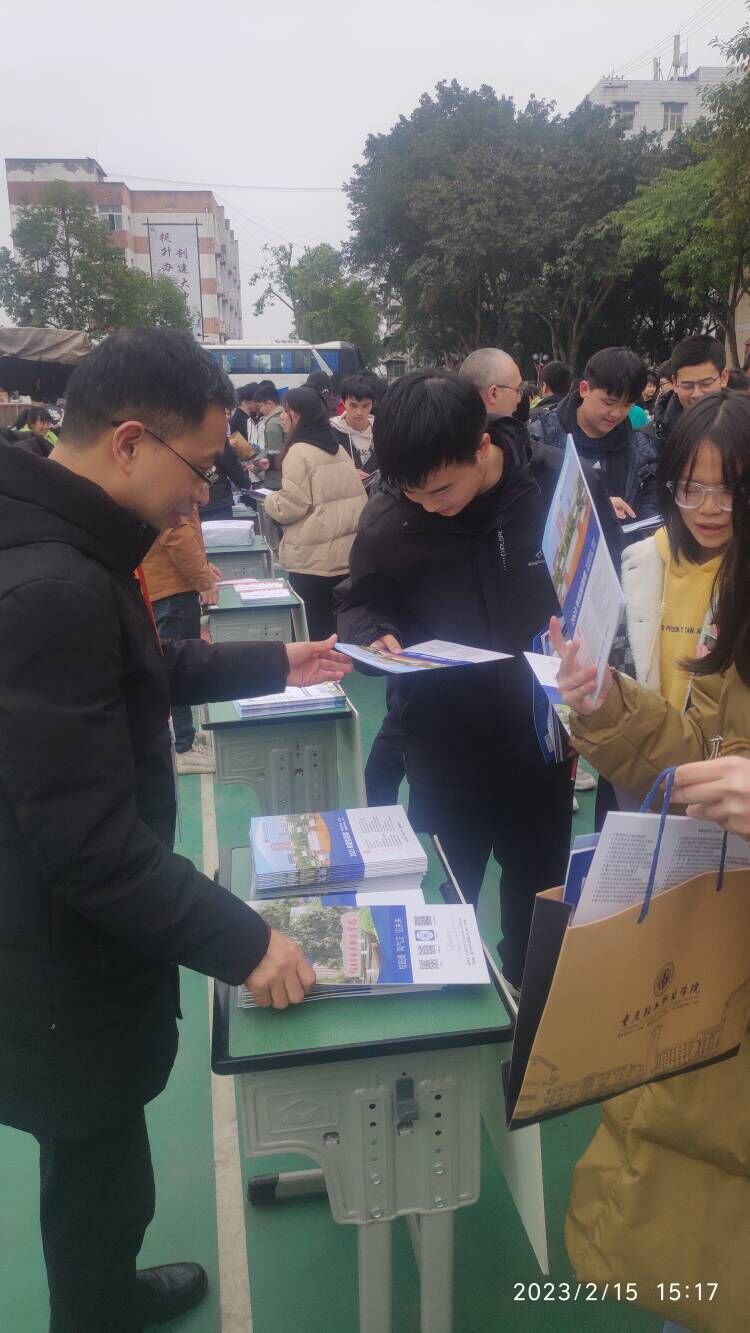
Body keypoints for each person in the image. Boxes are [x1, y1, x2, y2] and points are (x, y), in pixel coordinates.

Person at [0, 328, 351, 1333]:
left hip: (70, 942)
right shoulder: (55, 582)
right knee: (92, 1163)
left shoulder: (68, 536)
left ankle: (107, 1291)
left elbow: (127, 680)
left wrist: (273, 663)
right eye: (197, 468)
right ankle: (95, 1310)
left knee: (101, 1153)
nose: (200, 497)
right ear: (128, 441)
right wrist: (247, 942)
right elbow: (89, 844)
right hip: (58, 956)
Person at [549, 390, 750, 1333]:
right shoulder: (731, 595)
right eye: (692, 486)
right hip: (717, 946)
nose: (709, 508)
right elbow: (702, 747)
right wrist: (606, 704)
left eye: (730, 489)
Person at [336, 370, 573, 997]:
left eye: (440, 488)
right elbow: (359, 600)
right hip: (441, 742)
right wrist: (372, 633)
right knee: (446, 898)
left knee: (539, 894)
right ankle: (455, 1008)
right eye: (411, 491)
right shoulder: (391, 515)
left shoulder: (553, 484)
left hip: (541, 742)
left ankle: (529, 1002)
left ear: (481, 445)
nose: (428, 504)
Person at [264, 387, 366, 638]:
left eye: (286, 411)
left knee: (313, 635)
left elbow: (292, 505)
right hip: (345, 557)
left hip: (312, 560)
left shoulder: (298, 451)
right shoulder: (337, 449)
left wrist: (270, 501)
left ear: (298, 415)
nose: (282, 417)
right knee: (337, 632)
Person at [528, 346, 659, 522]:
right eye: (609, 402)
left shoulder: (639, 448)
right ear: (584, 389)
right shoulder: (540, 435)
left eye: (627, 405)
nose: (616, 413)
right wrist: (592, 507)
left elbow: (651, 500)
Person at [141, 509, 222, 773]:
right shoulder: (169, 492)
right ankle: (183, 746)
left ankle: (184, 736)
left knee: (177, 665)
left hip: (168, 585)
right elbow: (177, 535)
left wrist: (202, 566)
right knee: (179, 668)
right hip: (172, 591)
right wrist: (203, 578)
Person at [652, 333, 728, 445]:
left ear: (723, 378)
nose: (697, 394)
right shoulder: (651, 439)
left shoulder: (743, 428)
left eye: (706, 383)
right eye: (687, 385)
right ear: (675, 383)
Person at [330, 373, 377, 479]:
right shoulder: (331, 432)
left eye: (365, 406)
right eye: (353, 405)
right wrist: (345, 473)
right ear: (343, 402)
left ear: (372, 404)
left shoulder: (382, 431)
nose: (359, 412)